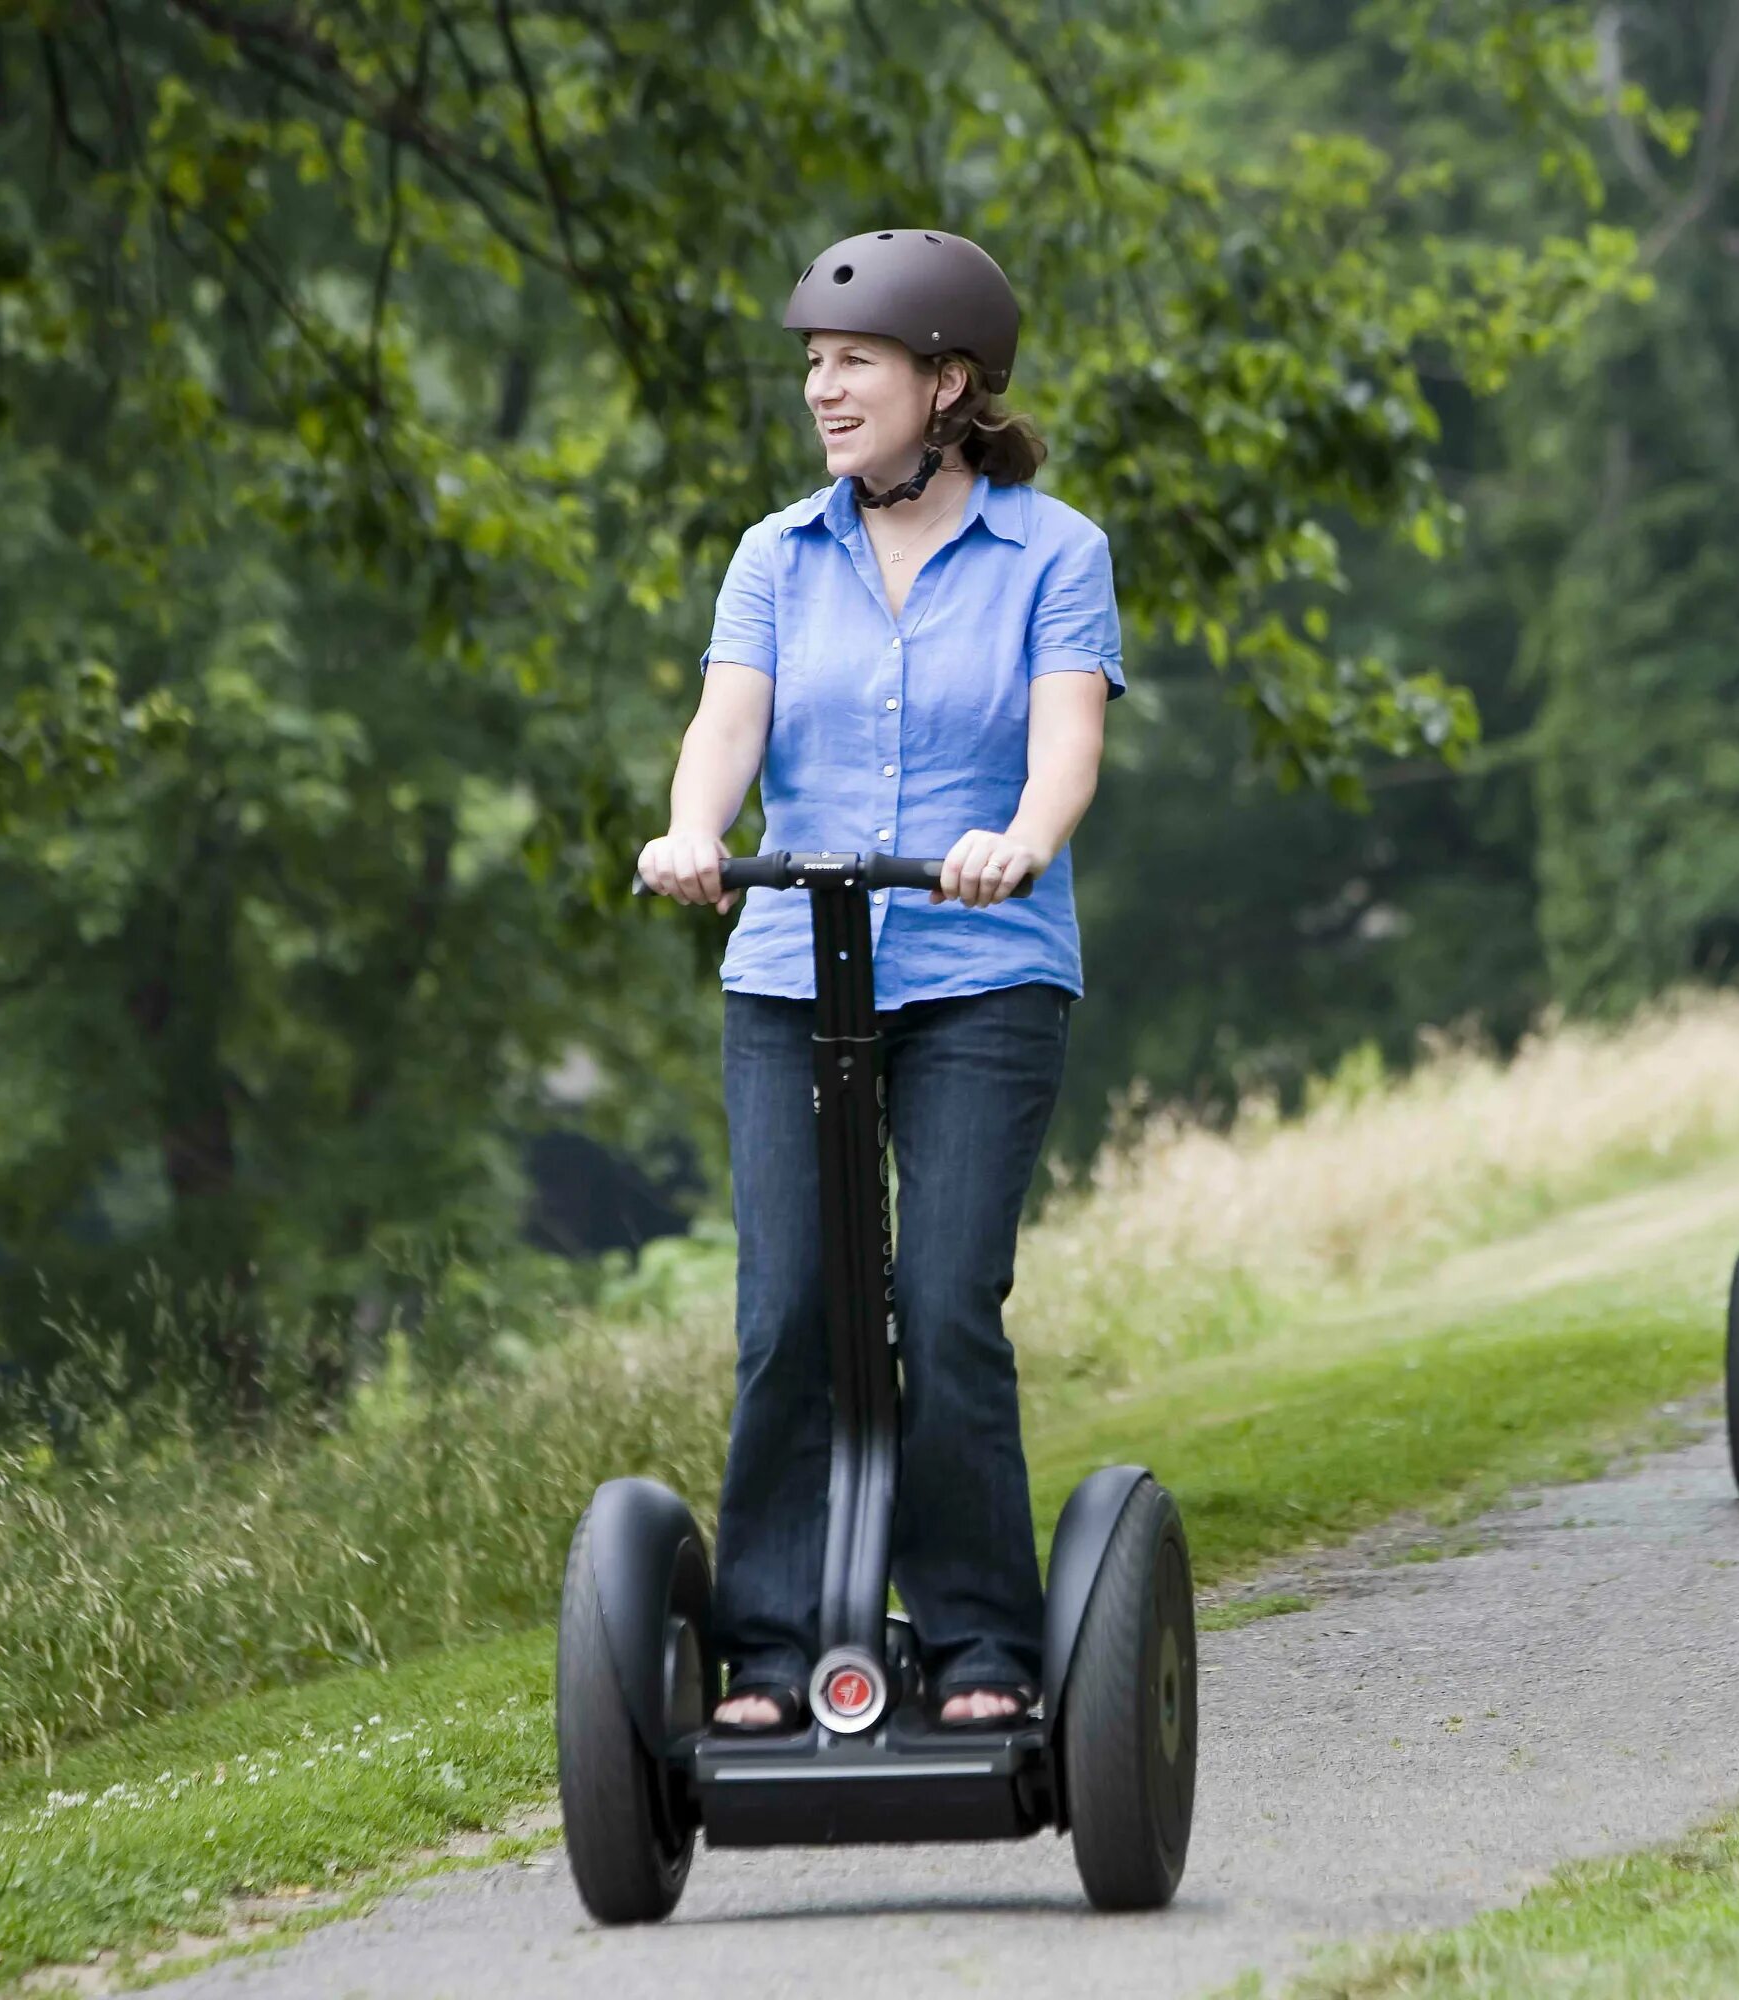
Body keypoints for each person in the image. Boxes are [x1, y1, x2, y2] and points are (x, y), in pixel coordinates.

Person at [637, 229, 1124, 1735]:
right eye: (814, 366)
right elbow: (729, 727)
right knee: (793, 1309)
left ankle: (981, 1639)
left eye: (854, 363)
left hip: (985, 975)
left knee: (943, 1302)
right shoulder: (776, 555)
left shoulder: (1056, 551)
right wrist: (693, 832)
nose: (824, 391)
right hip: (792, 975)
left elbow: (1066, 751)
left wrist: (1018, 842)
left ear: (947, 381)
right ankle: (771, 1653)